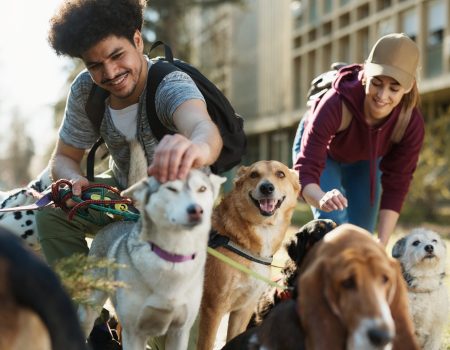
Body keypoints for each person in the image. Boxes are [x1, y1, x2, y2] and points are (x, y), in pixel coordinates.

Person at [36, 0, 222, 265]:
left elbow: (203, 128)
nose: (110, 73)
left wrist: (197, 148)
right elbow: (63, 157)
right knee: (52, 215)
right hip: (122, 195)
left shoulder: (170, 84)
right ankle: (83, 303)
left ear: (137, 40)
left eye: (116, 56)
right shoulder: (85, 91)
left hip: (179, 201)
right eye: (95, 65)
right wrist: (73, 180)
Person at [292, 33, 424, 246]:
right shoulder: (335, 103)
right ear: (365, 74)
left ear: (408, 87)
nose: (382, 95)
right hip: (325, 154)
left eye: (394, 88)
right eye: (376, 83)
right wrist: (321, 198)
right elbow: (306, 171)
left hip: (365, 159)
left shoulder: (410, 122)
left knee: (362, 238)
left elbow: (397, 183)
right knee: (333, 224)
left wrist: (381, 244)